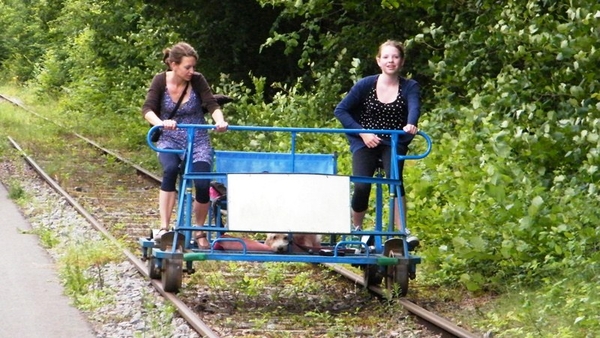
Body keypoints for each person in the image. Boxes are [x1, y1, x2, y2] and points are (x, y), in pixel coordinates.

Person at [334, 40, 421, 248]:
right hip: (366, 141)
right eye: (386, 57)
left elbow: (414, 108)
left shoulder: (410, 86)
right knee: (362, 184)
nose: (391, 61)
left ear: (401, 61)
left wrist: (410, 124)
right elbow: (341, 110)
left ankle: (401, 232)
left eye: (395, 57)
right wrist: (363, 133)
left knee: (395, 181)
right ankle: (358, 230)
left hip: (393, 140)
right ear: (378, 61)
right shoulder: (365, 84)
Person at [141, 42, 228, 249]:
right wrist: (161, 123)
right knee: (170, 170)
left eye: (193, 67)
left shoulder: (197, 81)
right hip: (170, 138)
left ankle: (199, 231)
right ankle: (164, 227)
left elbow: (211, 103)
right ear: (173, 65)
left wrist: (220, 121)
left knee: (202, 181)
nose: (192, 71)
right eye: (187, 67)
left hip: (197, 137)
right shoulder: (160, 81)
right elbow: (147, 109)